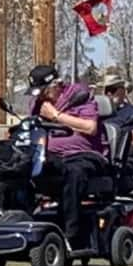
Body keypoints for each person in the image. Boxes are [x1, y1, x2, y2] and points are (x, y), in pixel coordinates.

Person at [28, 64, 108, 248]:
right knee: (19, 168)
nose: (39, 97)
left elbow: (90, 127)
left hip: (84, 156)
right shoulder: (38, 104)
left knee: (73, 173)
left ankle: (70, 235)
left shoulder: (79, 96)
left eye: (42, 92)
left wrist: (56, 116)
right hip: (51, 156)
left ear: (55, 85)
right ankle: (19, 222)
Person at [100, 69, 133, 192]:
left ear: (123, 91)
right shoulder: (95, 113)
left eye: (113, 90)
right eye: (106, 90)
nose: (109, 93)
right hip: (99, 160)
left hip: (124, 162)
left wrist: (115, 151)